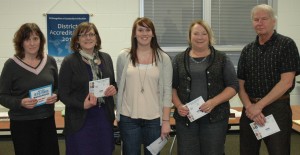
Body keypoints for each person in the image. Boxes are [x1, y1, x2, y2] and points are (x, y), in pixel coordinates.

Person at [237, 4, 300, 155]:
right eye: (256, 19)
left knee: (278, 151)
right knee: (247, 151)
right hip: (250, 109)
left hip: (276, 108)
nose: (260, 23)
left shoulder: (286, 44)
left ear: (274, 21)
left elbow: (286, 82)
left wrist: (259, 106)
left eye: (264, 19)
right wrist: (250, 107)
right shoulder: (247, 50)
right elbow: (240, 83)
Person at [172, 19, 239, 155]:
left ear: (209, 36)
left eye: (204, 33)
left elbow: (233, 86)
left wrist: (213, 102)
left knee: (213, 151)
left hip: (215, 118)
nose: (200, 37)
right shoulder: (179, 59)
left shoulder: (221, 58)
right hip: (186, 119)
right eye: (196, 34)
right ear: (190, 37)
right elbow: (172, 87)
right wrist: (178, 105)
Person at [58, 22, 117, 155]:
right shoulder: (69, 61)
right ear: (77, 40)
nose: (88, 38)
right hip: (81, 119)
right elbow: (63, 93)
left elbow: (113, 82)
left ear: (96, 38)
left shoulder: (106, 58)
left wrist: (114, 89)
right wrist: (82, 104)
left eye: (91, 34)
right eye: (83, 35)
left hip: (104, 117)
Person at [0, 23, 59, 155]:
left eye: (35, 38)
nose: (32, 43)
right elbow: (2, 95)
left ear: (41, 40)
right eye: (27, 39)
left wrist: (56, 95)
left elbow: (58, 88)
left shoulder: (50, 61)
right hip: (22, 123)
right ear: (21, 42)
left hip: (47, 120)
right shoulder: (11, 65)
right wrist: (20, 102)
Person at [116, 17, 173, 155]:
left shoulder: (163, 58)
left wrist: (166, 121)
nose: (144, 33)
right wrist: (117, 115)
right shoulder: (124, 56)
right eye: (140, 30)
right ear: (134, 34)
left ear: (153, 33)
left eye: (148, 30)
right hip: (128, 119)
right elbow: (119, 87)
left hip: (154, 119)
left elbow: (167, 92)